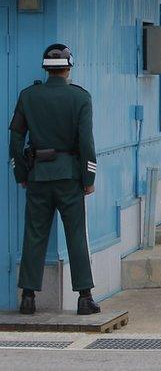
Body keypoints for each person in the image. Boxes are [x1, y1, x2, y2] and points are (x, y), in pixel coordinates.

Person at [9, 44, 99, 315]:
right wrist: (88, 177)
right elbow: (86, 142)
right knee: (76, 236)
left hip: (38, 176)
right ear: (68, 67)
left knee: (34, 235)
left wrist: (22, 173)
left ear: (45, 68)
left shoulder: (28, 96)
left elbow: (15, 138)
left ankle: (28, 297)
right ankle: (84, 298)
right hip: (70, 177)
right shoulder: (80, 98)